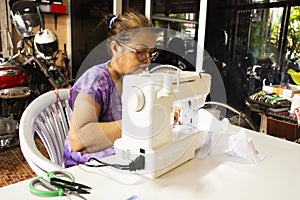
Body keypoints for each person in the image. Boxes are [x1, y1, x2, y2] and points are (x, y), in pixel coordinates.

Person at [63, 10, 158, 167]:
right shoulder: (95, 80)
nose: (147, 60)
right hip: (86, 171)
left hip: (122, 161)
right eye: (140, 52)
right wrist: (138, 124)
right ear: (115, 47)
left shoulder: (135, 80)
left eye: (150, 53)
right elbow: (79, 139)